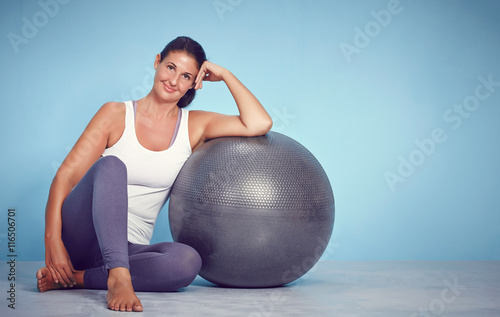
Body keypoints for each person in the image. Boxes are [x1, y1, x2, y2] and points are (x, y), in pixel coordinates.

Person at [36, 36, 273, 312]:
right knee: (112, 166)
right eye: (170, 67)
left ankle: (78, 280)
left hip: (129, 249)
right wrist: (52, 240)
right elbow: (64, 176)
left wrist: (225, 74)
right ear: (157, 62)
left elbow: (259, 122)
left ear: (194, 83)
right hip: (82, 237)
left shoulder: (194, 125)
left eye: (186, 76)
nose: (174, 80)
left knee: (187, 261)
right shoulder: (115, 114)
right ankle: (119, 279)